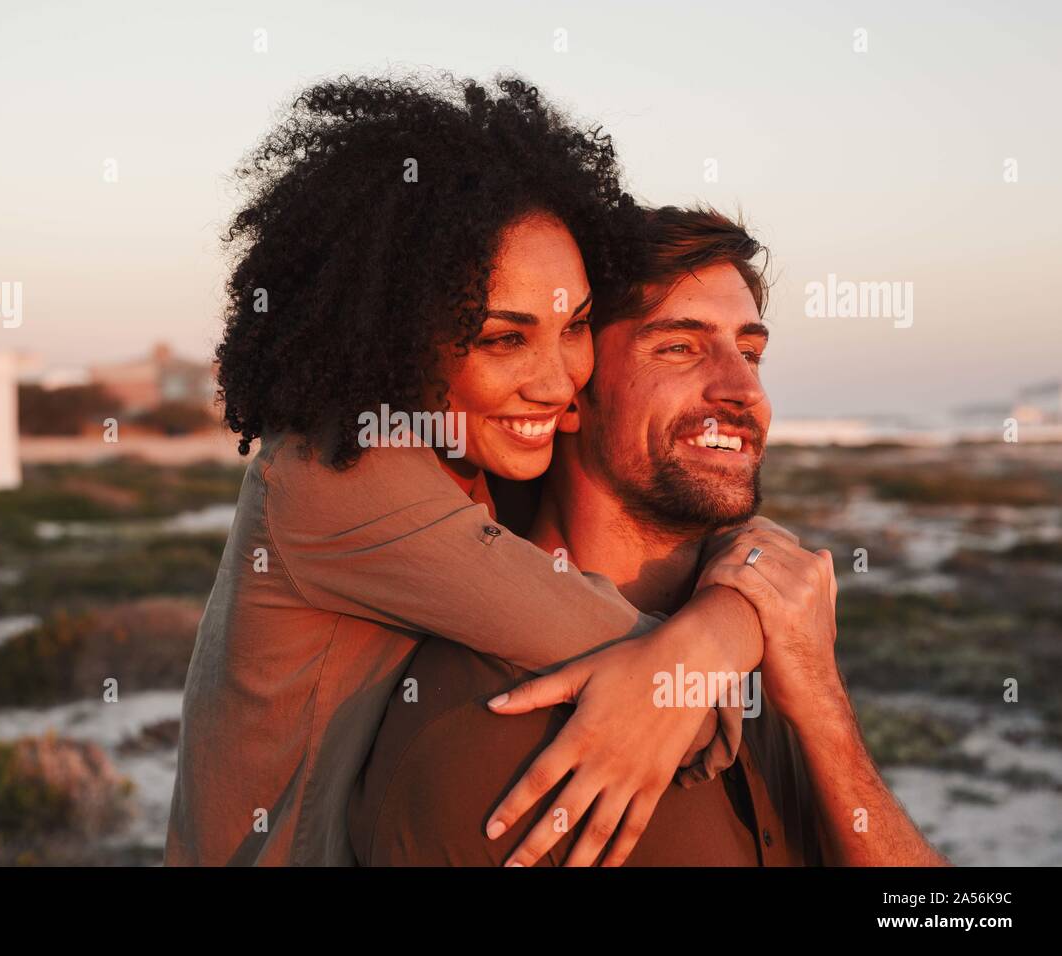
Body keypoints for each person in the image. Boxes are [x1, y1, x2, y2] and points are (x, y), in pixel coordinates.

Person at [165, 76, 774, 867]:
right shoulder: (343, 478)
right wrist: (742, 617)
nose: (558, 383)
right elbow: (666, 688)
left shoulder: (469, 452)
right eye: (503, 338)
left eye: (576, 326)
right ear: (399, 335)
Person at [349, 206, 949, 867]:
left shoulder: (769, 640)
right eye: (680, 348)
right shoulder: (487, 727)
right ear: (567, 391)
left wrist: (823, 707)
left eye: (751, 352)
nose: (744, 390)